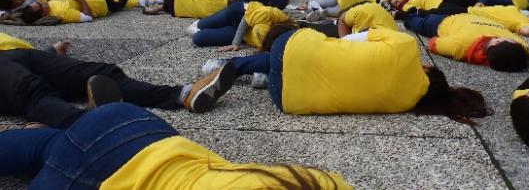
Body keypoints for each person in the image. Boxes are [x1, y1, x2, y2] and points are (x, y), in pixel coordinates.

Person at [0, 103, 351, 189]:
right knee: (63, 154)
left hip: (142, 127)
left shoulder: (328, 184)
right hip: (108, 170)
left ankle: (57, 131)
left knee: (61, 146)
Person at [212, 26, 490, 123]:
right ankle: (260, 75)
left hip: (289, 50)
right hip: (284, 98)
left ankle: (233, 67)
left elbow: (353, 40)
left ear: (428, 69)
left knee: (301, 49)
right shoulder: (404, 105)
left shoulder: (405, 46)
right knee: (299, 63)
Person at [0, 37, 238, 128]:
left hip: (22, 55)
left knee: (103, 73)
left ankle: (183, 94)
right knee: (31, 89)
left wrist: (49, 50)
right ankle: (90, 126)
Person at [403, 12, 529, 72]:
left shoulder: (459, 46)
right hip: (463, 16)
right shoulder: (517, 46)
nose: (515, 38)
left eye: (511, 40)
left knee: (416, 22)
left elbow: (434, 43)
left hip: (442, 22)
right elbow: (522, 49)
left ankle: (406, 15)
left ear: (496, 43)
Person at [190, 0, 292, 48]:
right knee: (201, 25)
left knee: (198, 38)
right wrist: (235, 43)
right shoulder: (269, 14)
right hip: (240, 13)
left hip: (244, 35)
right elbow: (245, 20)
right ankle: (201, 24)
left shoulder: (280, 45)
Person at [20, 0, 131, 24]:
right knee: (119, 5)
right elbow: (88, 17)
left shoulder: (49, 5)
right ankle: (120, 0)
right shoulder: (63, 13)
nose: (40, 2)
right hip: (102, 5)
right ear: (42, 14)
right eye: (39, 4)